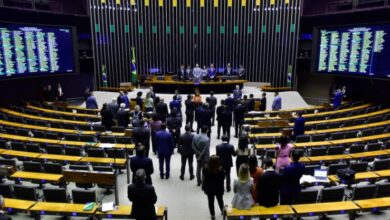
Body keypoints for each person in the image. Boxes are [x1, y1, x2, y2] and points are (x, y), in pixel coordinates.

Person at [202, 155, 225, 220]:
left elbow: (204, 178)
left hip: (209, 188)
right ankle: (222, 211)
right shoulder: (220, 169)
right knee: (220, 200)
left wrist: (203, 187)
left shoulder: (205, 169)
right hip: (218, 188)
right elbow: (223, 178)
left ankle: (212, 215)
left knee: (210, 201)